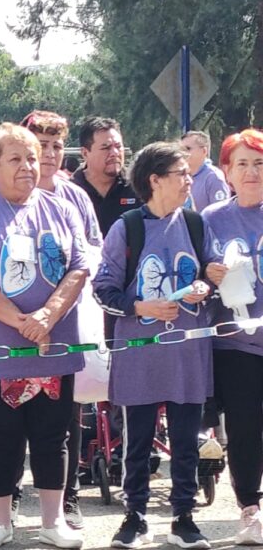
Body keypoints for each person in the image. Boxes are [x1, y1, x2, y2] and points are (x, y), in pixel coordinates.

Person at [0, 123, 87, 549]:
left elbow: (79, 267)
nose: (28, 166)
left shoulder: (61, 208)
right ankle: (0, 518)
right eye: (16, 158)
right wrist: (22, 322)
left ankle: (52, 520)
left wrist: (47, 315)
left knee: (53, 434)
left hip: (54, 345)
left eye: (32, 157)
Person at [93, 142, 220, 550]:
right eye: (181, 173)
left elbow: (214, 277)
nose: (189, 181)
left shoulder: (197, 225)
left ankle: (184, 517)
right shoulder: (127, 227)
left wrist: (208, 284)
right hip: (140, 352)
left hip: (188, 353)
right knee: (138, 441)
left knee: (186, 440)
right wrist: (139, 306)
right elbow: (103, 289)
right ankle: (136, 516)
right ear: (155, 179)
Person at [21, 110, 104, 529]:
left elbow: (91, 252)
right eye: (42, 145)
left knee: (64, 416)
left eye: (57, 146)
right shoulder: (3, 193)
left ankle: (66, 501)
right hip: (15, 323)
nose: (50, 154)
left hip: (65, 318)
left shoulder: (75, 197)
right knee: (14, 411)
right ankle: (10, 498)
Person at [202, 129, 263, 545]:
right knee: (243, 428)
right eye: (242, 163)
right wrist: (209, 273)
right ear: (226, 170)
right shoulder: (210, 219)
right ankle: (250, 510)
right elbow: (195, 270)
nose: (252, 172)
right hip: (234, 342)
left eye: (259, 163)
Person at [71, 117, 141, 237]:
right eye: (106, 148)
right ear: (85, 153)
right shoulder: (70, 192)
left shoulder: (138, 188)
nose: (115, 153)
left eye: (118, 146)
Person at [180, 131, 229, 212]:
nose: (183, 153)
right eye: (181, 149)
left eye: (188, 149)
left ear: (204, 151)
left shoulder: (213, 177)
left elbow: (221, 213)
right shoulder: (181, 176)